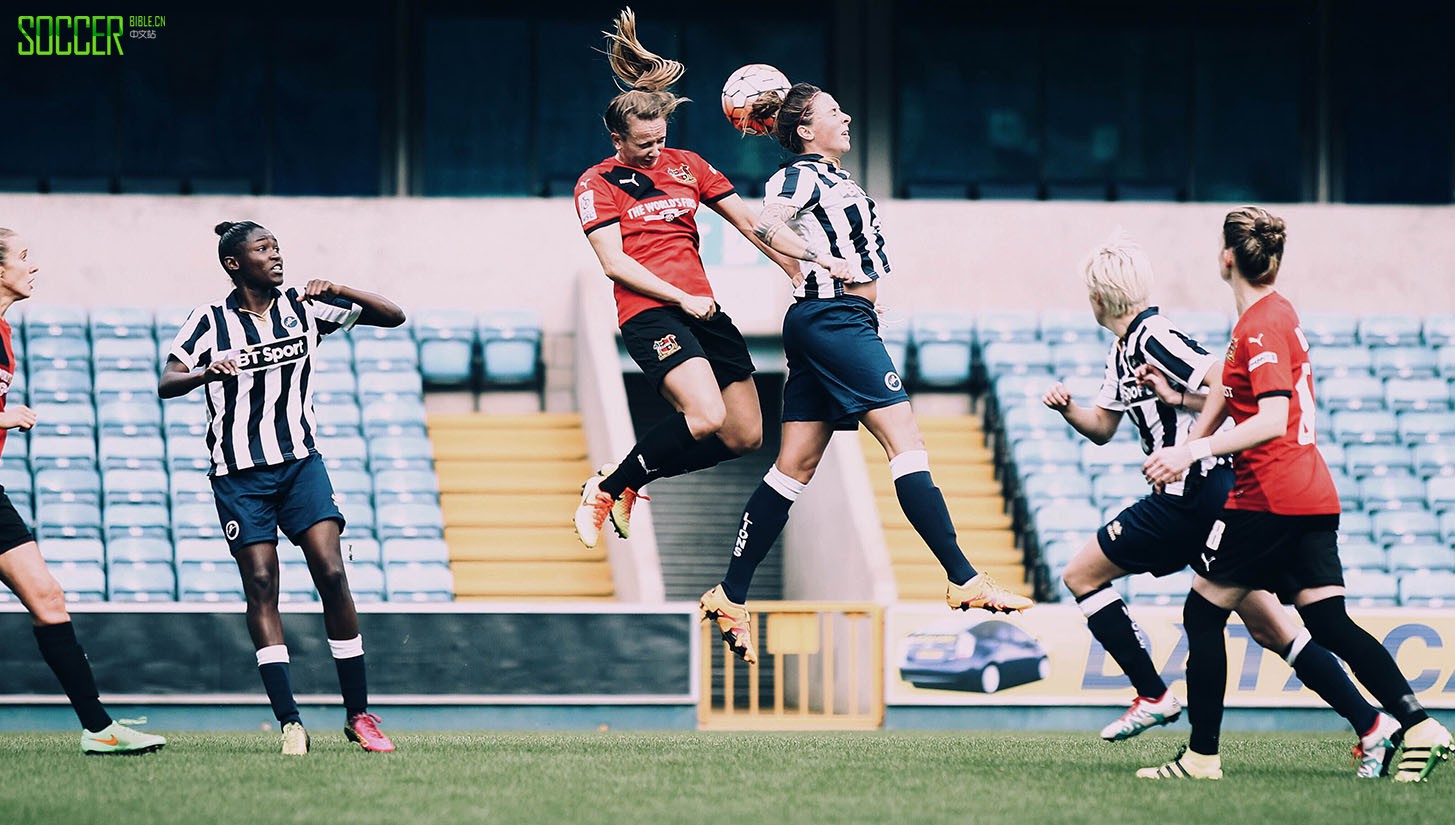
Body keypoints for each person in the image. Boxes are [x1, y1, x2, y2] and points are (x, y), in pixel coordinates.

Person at [698, 80, 1032, 665]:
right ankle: (963, 577)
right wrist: (815, 257)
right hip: (835, 321)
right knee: (906, 444)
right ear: (804, 129)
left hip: (832, 320)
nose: (847, 115)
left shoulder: (830, 177)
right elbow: (765, 225)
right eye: (832, 111)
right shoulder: (798, 174)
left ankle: (731, 593)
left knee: (792, 467)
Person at [1045, 231, 1394, 775]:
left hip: (1192, 494)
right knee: (1273, 629)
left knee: (1081, 575)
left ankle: (1156, 698)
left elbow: (1226, 383)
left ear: (1097, 297)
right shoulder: (1123, 351)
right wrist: (1069, 409)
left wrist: (1189, 443)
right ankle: (1372, 724)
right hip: (1209, 497)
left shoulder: (1154, 336)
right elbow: (1102, 428)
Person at [1139, 207, 1451, 781]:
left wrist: (1191, 450)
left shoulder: (1259, 326)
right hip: (1311, 493)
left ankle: (1202, 758)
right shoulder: (1274, 316)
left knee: (1202, 612)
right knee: (1329, 622)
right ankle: (1421, 725)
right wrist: (1178, 401)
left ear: (1226, 257)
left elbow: (1273, 418)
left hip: (1269, 497)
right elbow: (1249, 403)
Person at [159, 221, 404, 756]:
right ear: (234, 263)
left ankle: (359, 715)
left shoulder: (304, 307)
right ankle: (290, 722)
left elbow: (393, 316)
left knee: (333, 573)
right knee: (263, 584)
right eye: (262, 249)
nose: (275, 256)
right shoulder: (208, 321)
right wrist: (206, 372)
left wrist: (338, 288)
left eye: (276, 247)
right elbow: (167, 380)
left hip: (299, 465)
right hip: (239, 476)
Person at [572, 8, 804, 549]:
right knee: (704, 416)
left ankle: (628, 476)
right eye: (643, 144)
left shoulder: (688, 165)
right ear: (616, 137)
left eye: (659, 139)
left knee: (745, 435)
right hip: (651, 312)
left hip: (703, 309)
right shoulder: (596, 183)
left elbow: (750, 222)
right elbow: (614, 263)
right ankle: (607, 489)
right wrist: (680, 295)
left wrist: (799, 269)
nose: (654, 151)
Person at [0, 228, 166, 754]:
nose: (34, 267)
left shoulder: (2, 331)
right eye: (24, 258)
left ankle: (100, 731)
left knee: (48, 597)